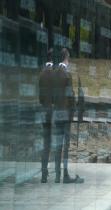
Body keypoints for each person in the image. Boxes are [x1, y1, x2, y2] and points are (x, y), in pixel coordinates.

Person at [52, 48, 84, 184]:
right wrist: (75, 109)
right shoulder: (67, 75)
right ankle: (65, 175)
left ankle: (57, 175)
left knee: (58, 145)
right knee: (66, 145)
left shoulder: (53, 74)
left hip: (56, 113)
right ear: (66, 57)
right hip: (65, 115)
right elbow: (70, 95)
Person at [39, 48, 54, 183]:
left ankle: (44, 170)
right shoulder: (53, 75)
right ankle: (48, 170)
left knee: (45, 141)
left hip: (43, 110)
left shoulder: (41, 75)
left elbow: (39, 95)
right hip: (51, 112)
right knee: (49, 143)